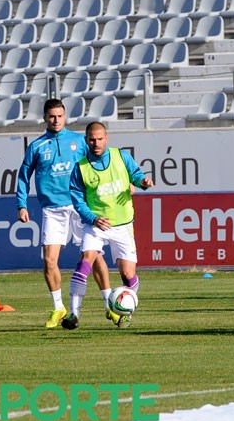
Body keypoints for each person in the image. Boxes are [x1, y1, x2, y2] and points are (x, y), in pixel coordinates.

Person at [16, 99, 111, 329]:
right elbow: (23, 175)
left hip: (79, 206)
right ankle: (59, 307)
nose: (56, 120)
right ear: (45, 118)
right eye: (51, 116)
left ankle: (110, 304)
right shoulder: (37, 146)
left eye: (59, 116)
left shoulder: (79, 141)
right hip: (52, 209)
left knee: (95, 255)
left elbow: (101, 161)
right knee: (48, 260)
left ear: (65, 116)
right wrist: (22, 204)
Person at [66, 122, 154, 330]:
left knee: (128, 275)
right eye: (91, 139)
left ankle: (124, 309)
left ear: (107, 138)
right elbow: (77, 200)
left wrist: (143, 183)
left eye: (99, 138)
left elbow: (136, 175)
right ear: (86, 141)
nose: (96, 143)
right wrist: (92, 217)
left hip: (123, 225)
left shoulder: (121, 156)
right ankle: (73, 314)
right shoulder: (80, 167)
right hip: (97, 224)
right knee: (86, 260)